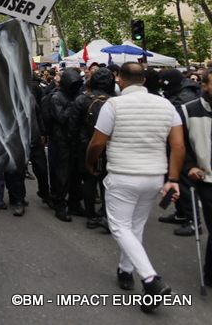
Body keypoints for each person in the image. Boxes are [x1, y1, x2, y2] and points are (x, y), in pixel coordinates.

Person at [86, 62, 184, 313]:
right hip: (154, 175)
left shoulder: (114, 105)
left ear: (120, 80)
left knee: (120, 226)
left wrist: (89, 162)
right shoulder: (166, 105)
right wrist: (172, 179)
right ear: (144, 79)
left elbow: (97, 143)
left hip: (123, 174)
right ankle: (125, 271)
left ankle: (151, 279)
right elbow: (178, 146)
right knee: (135, 226)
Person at [70, 66, 116, 231]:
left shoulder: (82, 99)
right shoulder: (115, 99)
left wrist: (74, 147)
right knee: (106, 181)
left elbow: (73, 126)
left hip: (86, 144)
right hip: (109, 145)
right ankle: (105, 213)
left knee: (89, 180)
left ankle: (91, 216)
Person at [159, 68, 202, 237]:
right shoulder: (179, 92)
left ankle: (193, 221)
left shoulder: (185, 98)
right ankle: (181, 213)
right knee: (174, 178)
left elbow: (178, 123)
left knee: (184, 182)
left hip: (184, 146)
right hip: (177, 143)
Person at [179, 68, 212, 287]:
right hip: (207, 178)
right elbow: (179, 145)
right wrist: (190, 166)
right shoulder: (188, 110)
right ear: (204, 86)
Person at [44, 67, 84, 222]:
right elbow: (61, 118)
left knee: (76, 174)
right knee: (63, 173)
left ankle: (74, 203)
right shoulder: (56, 97)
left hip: (76, 139)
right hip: (62, 140)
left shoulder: (78, 95)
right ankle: (59, 205)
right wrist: (74, 105)